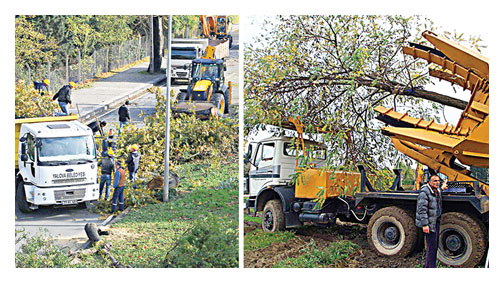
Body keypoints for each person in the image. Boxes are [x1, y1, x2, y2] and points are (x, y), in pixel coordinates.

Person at [416, 174, 447, 268]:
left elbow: (438, 192)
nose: (437, 182)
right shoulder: (424, 192)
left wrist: (443, 186)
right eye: (435, 181)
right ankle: (429, 267)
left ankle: (430, 266)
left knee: (434, 246)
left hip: (435, 222)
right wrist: (425, 225)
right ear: (430, 182)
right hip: (429, 224)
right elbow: (422, 210)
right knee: (431, 247)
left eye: (438, 181)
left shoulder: (436, 190)